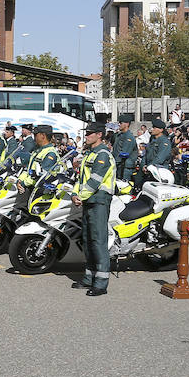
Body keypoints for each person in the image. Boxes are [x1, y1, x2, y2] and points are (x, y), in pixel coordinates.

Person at [72, 122, 115, 296]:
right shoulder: (90, 154)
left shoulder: (103, 155)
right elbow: (81, 179)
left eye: (90, 133)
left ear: (99, 135)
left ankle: (101, 283)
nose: (86, 135)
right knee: (88, 240)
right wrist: (74, 194)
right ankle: (89, 277)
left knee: (98, 242)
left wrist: (79, 196)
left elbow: (95, 180)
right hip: (89, 201)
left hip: (99, 202)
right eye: (86, 133)